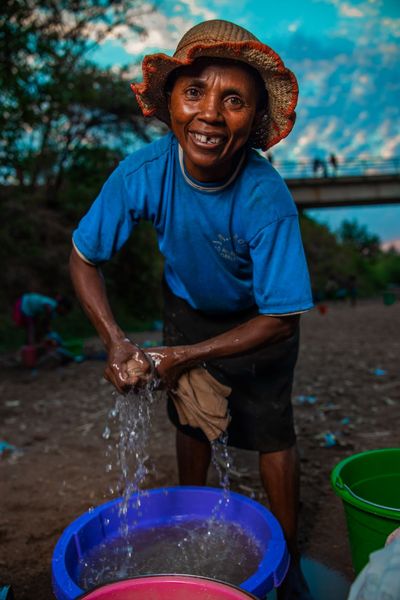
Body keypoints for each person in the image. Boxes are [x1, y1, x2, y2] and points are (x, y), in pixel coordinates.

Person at [69, 19, 314, 599]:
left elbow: (282, 316)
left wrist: (184, 355)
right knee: (190, 423)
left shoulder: (265, 198)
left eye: (233, 100)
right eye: (194, 92)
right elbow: (83, 258)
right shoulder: (143, 174)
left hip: (259, 320)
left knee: (272, 429)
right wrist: (116, 341)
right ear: (170, 104)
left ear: (253, 122)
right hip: (186, 305)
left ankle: (289, 559)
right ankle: (193, 531)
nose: (209, 113)